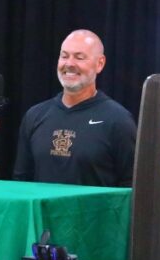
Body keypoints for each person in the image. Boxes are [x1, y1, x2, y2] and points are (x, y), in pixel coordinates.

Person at [13, 29, 136, 186]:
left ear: (100, 64)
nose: (69, 64)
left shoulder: (118, 120)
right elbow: (21, 181)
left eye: (79, 57)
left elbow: (132, 185)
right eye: (64, 56)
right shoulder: (35, 115)